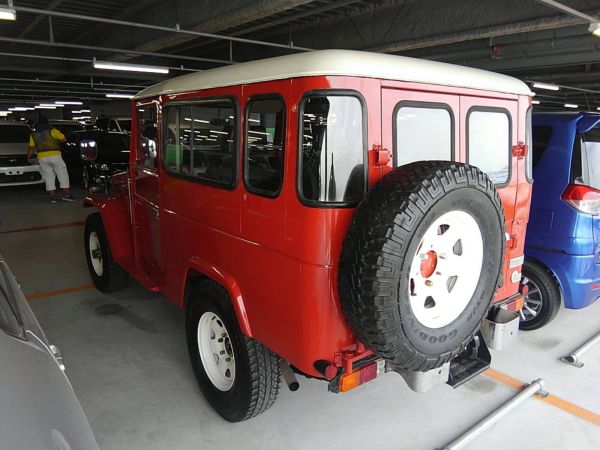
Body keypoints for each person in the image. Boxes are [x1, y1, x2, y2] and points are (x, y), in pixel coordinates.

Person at [28, 116, 75, 203]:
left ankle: (53, 198)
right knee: (62, 175)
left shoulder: (33, 135)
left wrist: (29, 156)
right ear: (47, 123)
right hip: (55, 156)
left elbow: (31, 147)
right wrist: (56, 140)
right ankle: (67, 195)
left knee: (48, 177)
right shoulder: (53, 131)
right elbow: (64, 139)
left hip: (42, 158)